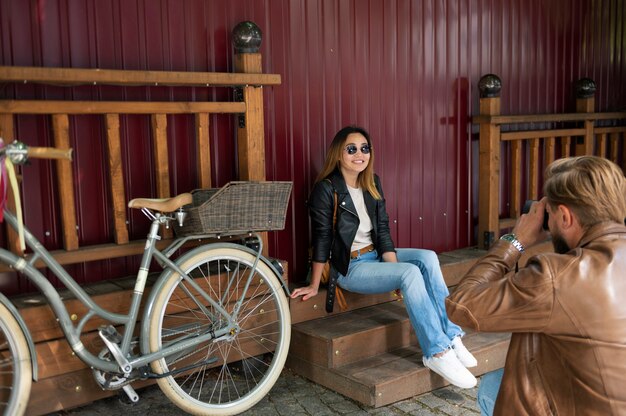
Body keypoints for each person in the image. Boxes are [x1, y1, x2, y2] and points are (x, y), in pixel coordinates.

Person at [291, 125, 477, 389]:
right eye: (352, 149)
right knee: (410, 272)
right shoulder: (326, 189)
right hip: (350, 267)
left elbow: (383, 231)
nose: (360, 154)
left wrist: (394, 272)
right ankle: (436, 353)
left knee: (427, 257)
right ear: (338, 153)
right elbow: (321, 238)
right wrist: (313, 284)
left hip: (376, 257)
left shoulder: (372, 182)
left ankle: (451, 335)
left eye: (364, 148)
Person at [445, 156, 626, 415]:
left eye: (547, 212)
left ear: (564, 216)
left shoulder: (557, 276)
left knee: (490, 391)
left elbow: (460, 305)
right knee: (494, 384)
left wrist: (514, 241)